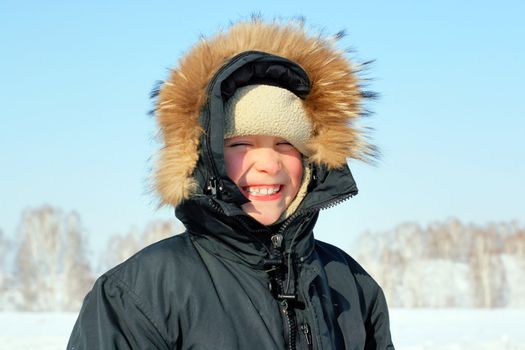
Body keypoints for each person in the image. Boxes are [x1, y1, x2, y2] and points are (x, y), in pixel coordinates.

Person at [68, 19, 395, 350]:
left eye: (286, 144)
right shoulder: (140, 294)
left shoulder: (351, 284)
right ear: (203, 157)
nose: (268, 164)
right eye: (240, 145)